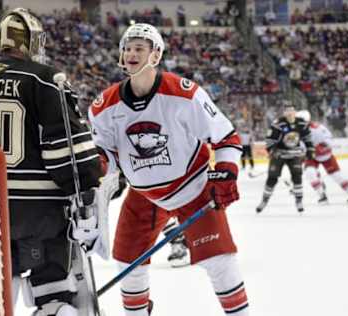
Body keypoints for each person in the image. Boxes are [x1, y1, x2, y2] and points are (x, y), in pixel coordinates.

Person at [0, 8, 103, 316]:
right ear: (31, 41)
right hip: (40, 211)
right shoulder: (46, 79)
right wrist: (88, 192)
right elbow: (67, 151)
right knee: (56, 290)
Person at [89, 23, 249, 315]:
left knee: (220, 262)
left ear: (156, 54)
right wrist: (97, 167)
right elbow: (108, 155)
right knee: (128, 263)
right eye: (127, 48)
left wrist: (226, 171)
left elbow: (226, 137)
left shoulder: (183, 94)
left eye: (139, 48)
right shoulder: (104, 106)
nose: (131, 53)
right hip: (144, 196)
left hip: (194, 188)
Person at [256, 104, 314, 213]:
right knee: (272, 178)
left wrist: (310, 149)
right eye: (287, 111)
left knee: (297, 176)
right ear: (284, 113)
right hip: (280, 155)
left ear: (295, 112)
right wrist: (272, 151)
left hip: (294, 154)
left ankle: (299, 200)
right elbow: (269, 140)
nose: (290, 113)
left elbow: (307, 137)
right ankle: (264, 200)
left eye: (292, 110)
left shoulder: (301, 123)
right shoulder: (278, 124)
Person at [295, 110, 348, 203]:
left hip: (325, 155)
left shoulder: (318, 129)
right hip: (311, 156)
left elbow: (329, 141)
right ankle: (322, 195)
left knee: (336, 175)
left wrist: (320, 148)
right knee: (310, 173)